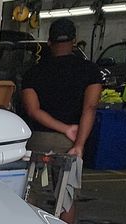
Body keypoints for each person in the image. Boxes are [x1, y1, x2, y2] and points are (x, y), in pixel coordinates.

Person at [21, 18, 103, 157]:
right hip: (71, 140)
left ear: (49, 42)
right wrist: (79, 144)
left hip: (38, 139)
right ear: (74, 41)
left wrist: (65, 129)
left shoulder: (32, 72)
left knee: (35, 178)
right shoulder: (90, 70)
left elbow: (33, 110)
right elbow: (90, 107)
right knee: (67, 178)